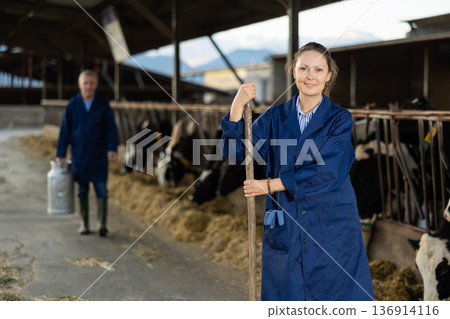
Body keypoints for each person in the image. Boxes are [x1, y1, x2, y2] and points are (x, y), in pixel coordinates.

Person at [220, 42, 375, 300]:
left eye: (318, 69)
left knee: (335, 295)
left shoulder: (339, 119)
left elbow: (330, 171)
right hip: (288, 224)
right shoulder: (274, 118)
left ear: (328, 76)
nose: (310, 76)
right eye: (303, 68)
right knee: (288, 294)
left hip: (330, 225)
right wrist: (236, 109)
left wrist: (270, 185)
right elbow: (237, 154)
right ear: (294, 73)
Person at [56, 70, 118, 237]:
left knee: (101, 189)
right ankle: (84, 223)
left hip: (98, 155)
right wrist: (61, 152)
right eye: (85, 83)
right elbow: (65, 131)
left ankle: (101, 224)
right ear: (80, 85)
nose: (88, 86)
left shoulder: (103, 105)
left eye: (91, 83)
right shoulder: (72, 105)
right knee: (82, 190)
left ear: (96, 85)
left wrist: (112, 148)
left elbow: (111, 128)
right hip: (79, 155)